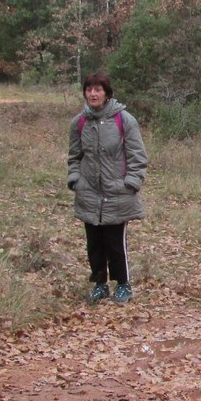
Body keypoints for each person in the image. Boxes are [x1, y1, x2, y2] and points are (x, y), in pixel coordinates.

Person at [67, 72, 148, 304]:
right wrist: (75, 180)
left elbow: (137, 156)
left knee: (115, 243)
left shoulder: (124, 120)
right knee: (94, 243)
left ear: (106, 93)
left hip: (117, 193)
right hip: (89, 193)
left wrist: (131, 183)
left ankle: (123, 285)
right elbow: (74, 156)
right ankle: (100, 284)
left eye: (98, 89)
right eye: (89, 89)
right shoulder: (79, 122)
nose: (93, 94)